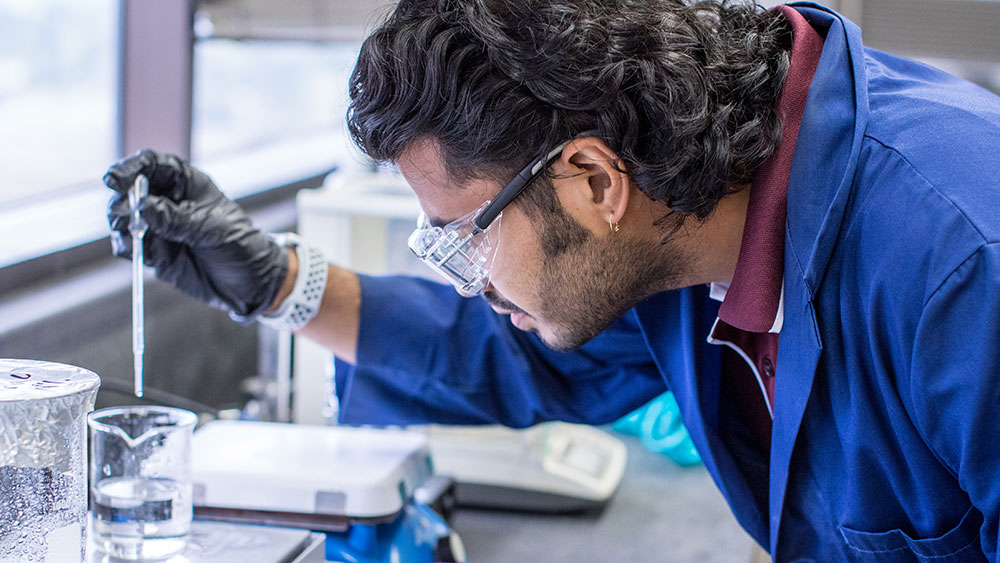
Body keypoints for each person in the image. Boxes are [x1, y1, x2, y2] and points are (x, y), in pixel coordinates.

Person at [104, 0, 1000, 559]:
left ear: (594, 179)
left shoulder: (960, 262)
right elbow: (509, 350)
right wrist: (272, 283)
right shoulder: (685, 217)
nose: (467, 279)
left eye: (465, 238)